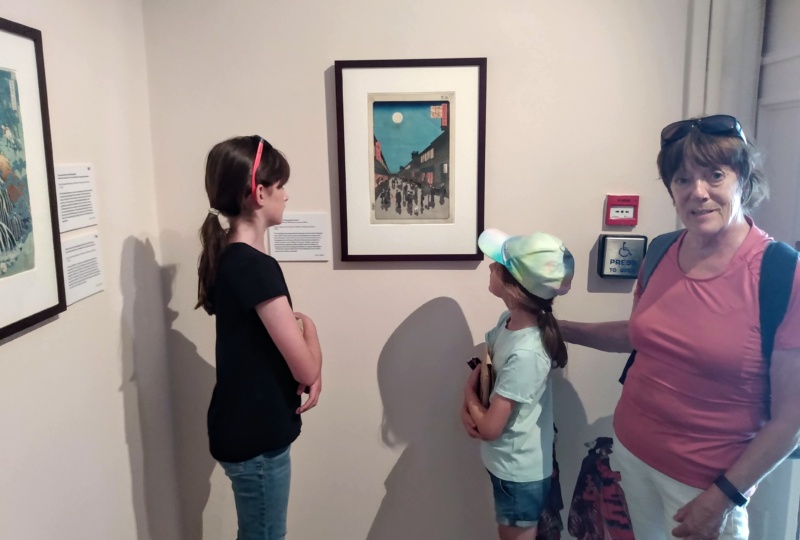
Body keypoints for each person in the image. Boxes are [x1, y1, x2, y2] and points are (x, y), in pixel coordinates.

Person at [560, 115, 800, 540]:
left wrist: (724, 496)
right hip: (633, 454)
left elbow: (790, 420)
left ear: (742, 177)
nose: (698, 192)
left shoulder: (783, 274)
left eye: (715, 175)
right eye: (683, 178)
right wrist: (559, 328)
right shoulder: (661, 251)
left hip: (706, 483)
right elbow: (641, 336)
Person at [196, 135, 323, 540]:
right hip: (256, 439)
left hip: (245, 430)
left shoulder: (232, 258)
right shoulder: (253, 267)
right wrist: (313, 335)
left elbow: (262, 347)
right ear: (259, 192)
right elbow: (304, 364)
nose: (286, 195)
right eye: (280, 186)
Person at [461, 229, 575, 540]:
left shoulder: (527, 353)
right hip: (506, 463)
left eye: (496, 264)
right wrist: (469, 405)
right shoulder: (506, 323)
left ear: (514, 287)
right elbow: (488, 370)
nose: (489, 267)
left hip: (517, 472)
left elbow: (490, 429)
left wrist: (467, 397)